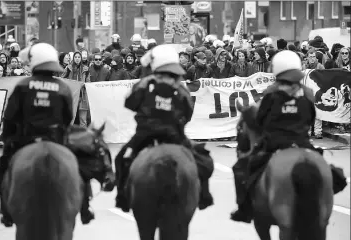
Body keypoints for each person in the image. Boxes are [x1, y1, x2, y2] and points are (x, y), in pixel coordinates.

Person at [0, 43, 100, 227]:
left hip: (26, 139)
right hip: (56, 138)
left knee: (4, 169)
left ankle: (5, 212)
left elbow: (10, 117)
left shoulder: (23, 85)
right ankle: (85, 207)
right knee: (80, 164)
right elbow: (68, 118)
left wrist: (9, 137)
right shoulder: (63, 87)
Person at [115, 44, 214, 213]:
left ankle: (122, 197)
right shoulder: (181, 87)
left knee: (121, 159)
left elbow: (129, 103)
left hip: (145, 135)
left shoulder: (145, 83)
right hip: (175, 136)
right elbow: (188, 112)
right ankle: (204, 196)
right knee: (204, 159)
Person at [230, 50, 321, 223]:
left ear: (276, 71)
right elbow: (311, 118)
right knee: (327, 170)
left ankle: (244, 208)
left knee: (242, 169)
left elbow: (261, 120)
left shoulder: (271, 93)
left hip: (274, 144)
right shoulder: (308, 92)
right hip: (302, 144)